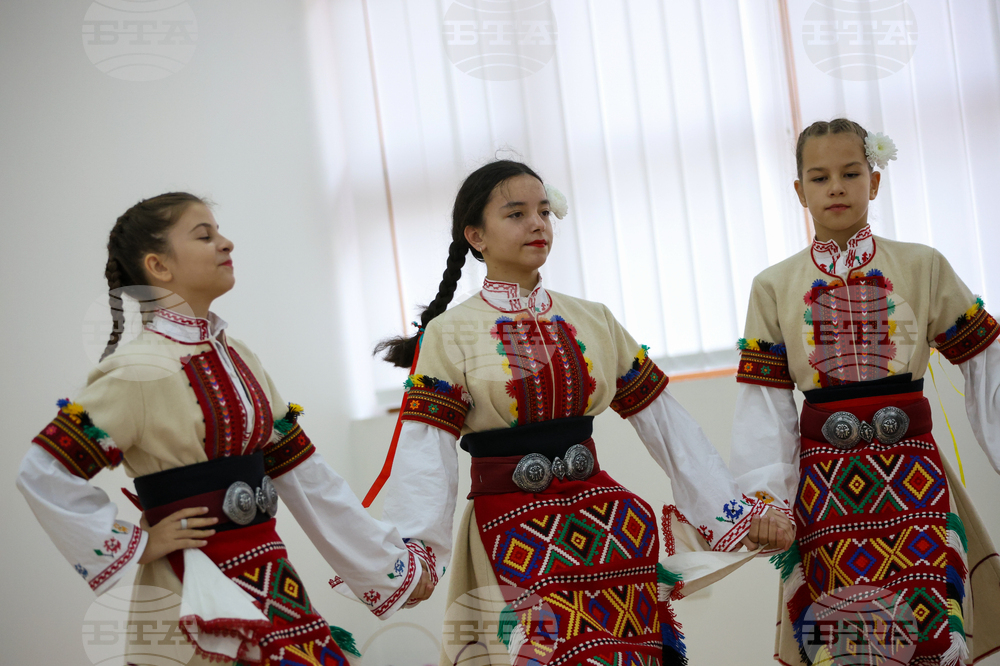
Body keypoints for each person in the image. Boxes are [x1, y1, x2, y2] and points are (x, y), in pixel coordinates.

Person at [364, 160, 790, 666]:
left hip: (609, 528)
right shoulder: (450, 333)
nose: (538, 224)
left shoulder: (592, 318)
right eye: (517, 213)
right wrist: (415, 551)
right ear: (475, 235)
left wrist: (733, 512)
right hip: (511, 531)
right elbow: (426, 453)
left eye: (544, 211)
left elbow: (666, 424)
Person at [17, 193, 432, 665]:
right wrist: (136, 544)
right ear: (159, 265)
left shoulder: (239, 356)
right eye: (204, 235)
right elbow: (43, 471)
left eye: (219, 231)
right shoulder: (137, 369)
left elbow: (305, 476)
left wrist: (387, 566)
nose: (225, 242)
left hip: (271, 576)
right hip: (194, 592)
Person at [729, 119, 1000, 665]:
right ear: (799, 190)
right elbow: (765, 405)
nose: (836, 187)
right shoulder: (774, 285)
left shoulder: (922, 266)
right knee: (845, 630)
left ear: (873, 182)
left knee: (931, 622)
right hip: (827, 489)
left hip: (914, 479)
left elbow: (986, 363)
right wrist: (769, 500)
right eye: (819, 176)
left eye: (850, 173)